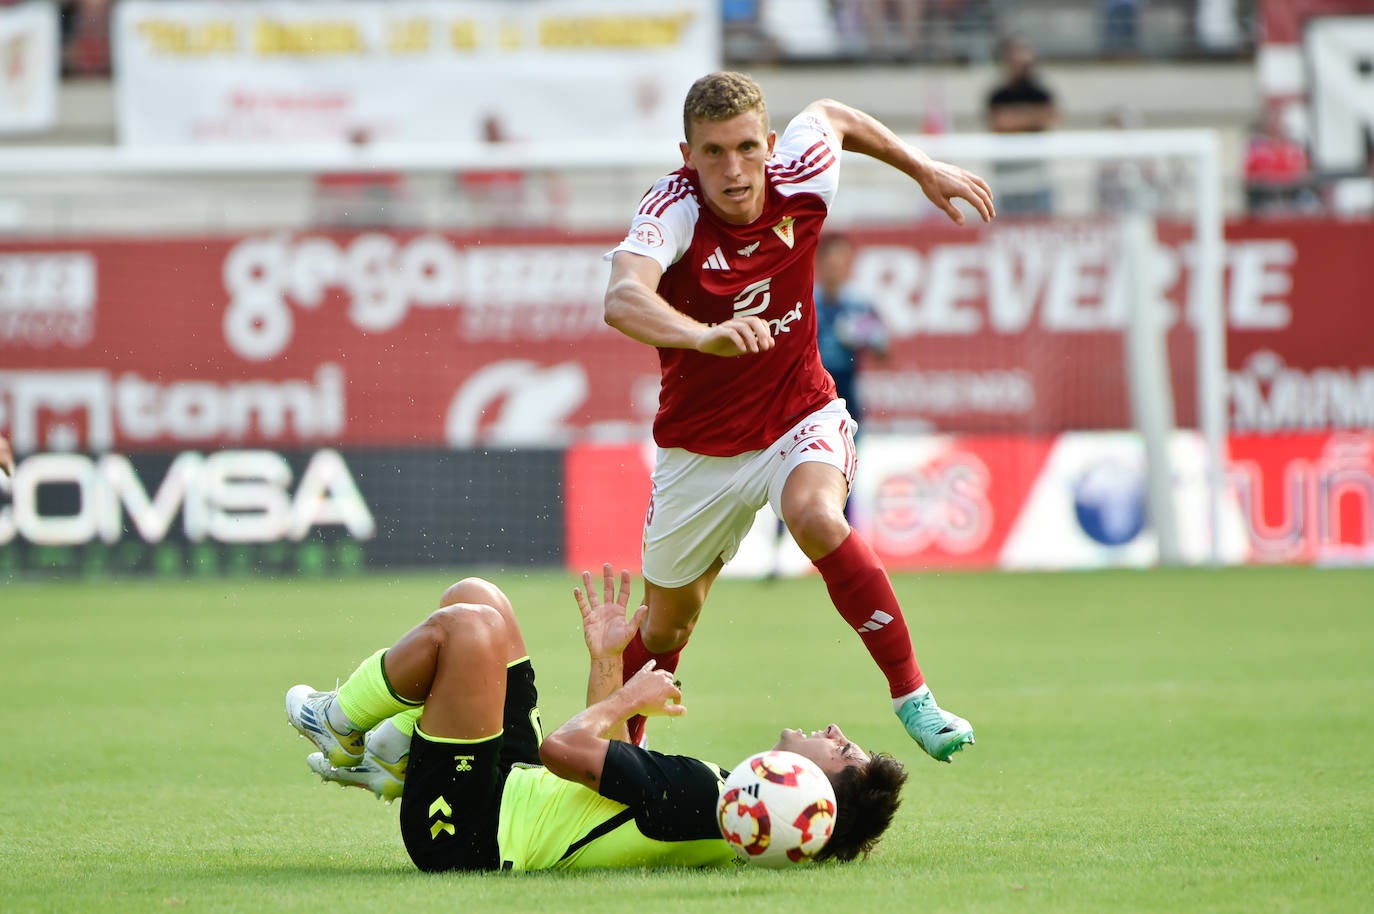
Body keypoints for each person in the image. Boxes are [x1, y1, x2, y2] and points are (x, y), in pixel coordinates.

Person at [601, 71, 993, 761]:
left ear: (770, 144)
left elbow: (834, 113)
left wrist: (922, 168)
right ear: (687, 154)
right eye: (714, 152)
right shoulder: (673, 208)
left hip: (798, 416)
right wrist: (700, 335)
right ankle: (615, 758)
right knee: (666, 627)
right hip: (700, 450)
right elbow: (622, 299)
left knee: (816, 517)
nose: (733, 168)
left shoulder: (803, 174)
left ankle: (913, 696)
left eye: (747, 147)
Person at [285, 565, 907, 872]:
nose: (836, 733)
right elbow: (602, 767)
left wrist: (626, 697)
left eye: (846, 752)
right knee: (478, 599)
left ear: (816, 797)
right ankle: (400, 758)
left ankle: (340, 723)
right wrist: (608, 664)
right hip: (511, 784)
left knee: (467, 629)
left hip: (467, 831)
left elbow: (563, 748)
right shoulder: (720, 808)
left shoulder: (703, 798)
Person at [814, 233, 888, 429]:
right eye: (831, 263)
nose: (836, 269)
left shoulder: (858, 303)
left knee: (851, 453)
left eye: (842, 263)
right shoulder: (806, 302)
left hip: (847, 394)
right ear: (820, 263)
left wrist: (865, 335)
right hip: (810, 393)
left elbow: (883, 351)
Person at [984, 35, 1059, 216]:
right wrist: (1032, 117)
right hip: (1007, 174)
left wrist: (1014, 119)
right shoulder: (998, 94)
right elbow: (999, 123)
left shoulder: (1040, 91)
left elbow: (1050, 117)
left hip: (1036, 174)